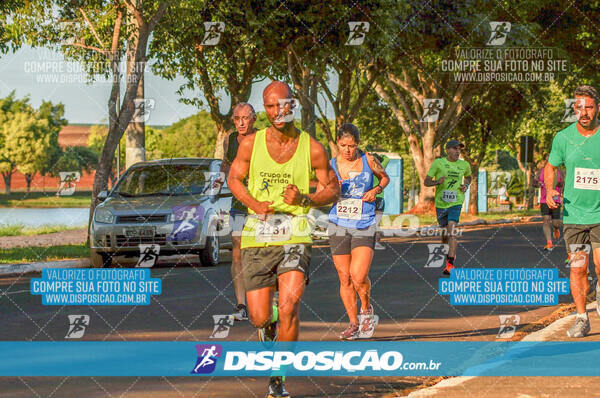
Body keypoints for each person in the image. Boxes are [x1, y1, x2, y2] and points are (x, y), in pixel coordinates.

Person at [228, 81, 339, 397]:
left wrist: (305, 197)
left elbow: (332, 189)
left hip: (295, 232)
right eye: (270, 106)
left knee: (290, 304)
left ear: (293, 104)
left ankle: (278, 377)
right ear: (265, 109)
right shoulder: (250, 145)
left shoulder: (312, 147)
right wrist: (254, 204)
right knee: (258, 316)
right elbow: (234, 179)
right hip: (257, 236)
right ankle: (270, 321)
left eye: (283, 105)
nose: (277, 111)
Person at [546, 85, 600, 338]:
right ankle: (581, 318)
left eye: (589, 106)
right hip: (575, 216)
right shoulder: (563, 137)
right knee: (578, 267)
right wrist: (548, 191)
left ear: (598, 108)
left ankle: (598, 291)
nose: (584, 112)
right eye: (579, 107)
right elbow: (551, 167)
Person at [328, 124, 389, 340]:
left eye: (352, 146)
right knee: (344, 279)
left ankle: (366, 310)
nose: (347, 150)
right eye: (343, 145)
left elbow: (385, 178)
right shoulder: (330, 165)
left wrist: (375, 190)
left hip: (364, 222)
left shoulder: (368, 160)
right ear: (337, 143)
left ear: (358, 144)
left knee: (358, 275)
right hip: (338, 223)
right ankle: (353, 324)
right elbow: (323, 190)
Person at [219, 102, 258, 321]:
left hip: (262, 203)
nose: (240, 123)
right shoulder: (230, 139)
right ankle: (241, 305)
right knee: (237, 252)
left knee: (263, 251)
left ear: (253, 119)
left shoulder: (264, 138)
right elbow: (226, 163)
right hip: (238, 205)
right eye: (236, 118)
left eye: (244, 118)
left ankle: (268, 298)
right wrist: (221, 177)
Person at [424, 140, 472, 275]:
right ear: (448, 150)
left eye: (459, 149)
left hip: (456, 201)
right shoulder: (438, 163)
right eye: (455, 149)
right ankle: (448, 256)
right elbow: (426, 181)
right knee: (445, 234)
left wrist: (466, 185)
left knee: (451, 230)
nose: (458, 152)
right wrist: (436, 182)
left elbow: (468, 177)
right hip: (441, 203)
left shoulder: (464, 164)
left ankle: (450, 264)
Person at [532, 158, 564, 251]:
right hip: (544, 200)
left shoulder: (559, 171)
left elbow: (563, 184)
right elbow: (534, 183)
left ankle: (556, 229)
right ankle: (549, 242)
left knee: (556, 223)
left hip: (555, 199)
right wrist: (538, 183)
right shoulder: (541, 171)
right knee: (546, 219)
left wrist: (559, 185)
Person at [372, 153, 390, 250]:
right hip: (379, 197)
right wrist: (378, 155)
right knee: (377, 221)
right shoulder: (381, 168)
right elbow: (386, 158)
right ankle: (376, 242)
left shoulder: (367, 169)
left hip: (369, 197)